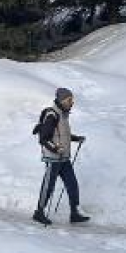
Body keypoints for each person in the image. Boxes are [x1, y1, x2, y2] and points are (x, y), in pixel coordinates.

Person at [33, 87, 90, 226]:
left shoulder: (63, 114)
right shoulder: (52, 115)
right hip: (53, 158)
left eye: (72, 100)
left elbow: (62, 135)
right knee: (48, 186)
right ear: (62, 100)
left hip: (64, 158)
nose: (72, 102)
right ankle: (39, 212)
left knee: (72, 184)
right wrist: (55, 148)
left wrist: (76, 138)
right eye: (69, 100)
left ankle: (74, 213)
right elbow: (44, 138)